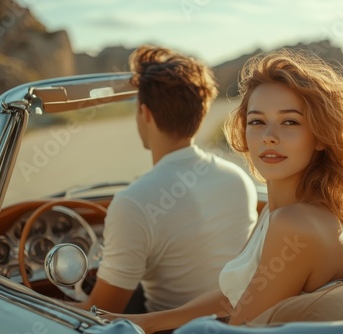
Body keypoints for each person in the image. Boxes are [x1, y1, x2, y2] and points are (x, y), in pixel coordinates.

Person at [102, 48, 343, 332]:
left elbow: (240, 328)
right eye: (257, 121)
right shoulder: (286, 210)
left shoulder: (295, 224)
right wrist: (149, 322)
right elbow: (234, 296)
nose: (269, 136)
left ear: (318, 136)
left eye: (289, 122)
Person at [72, 45, 258, 314]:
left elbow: (100, 314)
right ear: (202, 112)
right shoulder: (238, 180)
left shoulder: (132, 203)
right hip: (238, 325)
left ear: (145, 113)